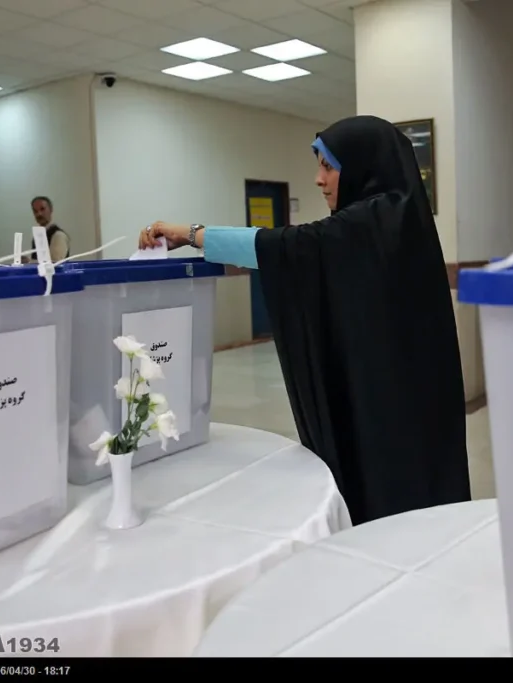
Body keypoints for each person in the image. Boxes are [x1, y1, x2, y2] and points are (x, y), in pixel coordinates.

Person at [139, 115, 471, 525]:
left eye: (328, 166)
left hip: (391, 411)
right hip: (411, 399)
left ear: (362, 165)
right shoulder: (399, 218)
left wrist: (192, 234)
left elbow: (290, 247)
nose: (318, 179)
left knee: (398, 505)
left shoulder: (371, 220)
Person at [25, 196, 70, 263]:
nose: (39, 214)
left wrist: (28, 262)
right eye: (35, 211)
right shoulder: (38, 236)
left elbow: (56, 263)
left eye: (42, 209)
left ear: (51, 209)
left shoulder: (58, 235)